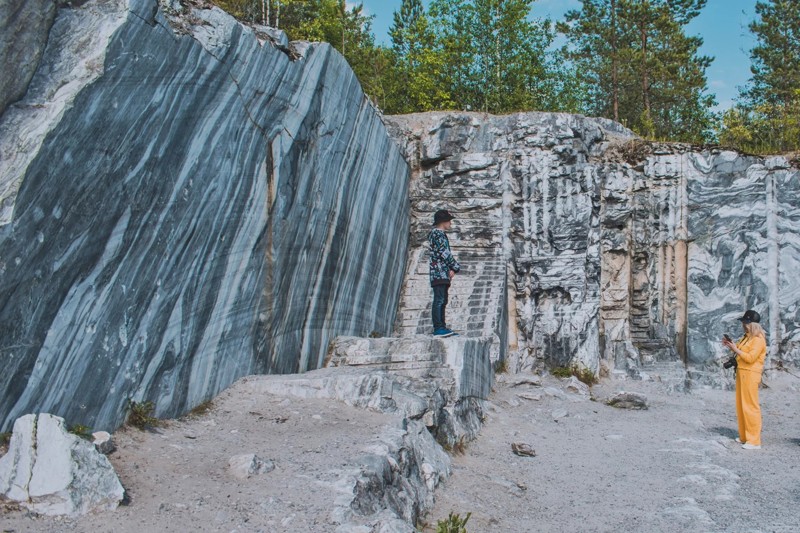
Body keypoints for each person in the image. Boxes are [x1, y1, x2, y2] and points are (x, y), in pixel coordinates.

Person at [722, 309, 767, 450]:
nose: (743, 324)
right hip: (742, 372)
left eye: (745, 322)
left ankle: (754, 440)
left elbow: (750, 358)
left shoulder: (758, 339)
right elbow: (741, 353)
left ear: (751, 324)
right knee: (741, 405)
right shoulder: (747, 337)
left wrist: (735, 349)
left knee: (750, 406)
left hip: (751, 373)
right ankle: (744, 436)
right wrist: (731, 346)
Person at [429, 209, 461, 337]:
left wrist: (450, 269)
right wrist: (455, 266)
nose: (450, 223)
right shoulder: (437, 234)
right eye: (449, 221)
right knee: (439, 299)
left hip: (442, 272)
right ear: (443, 222)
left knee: (443, 299)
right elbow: (444, 253)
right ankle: (438, 328)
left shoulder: (438, 234)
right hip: (438, 272)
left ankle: (442, 327)